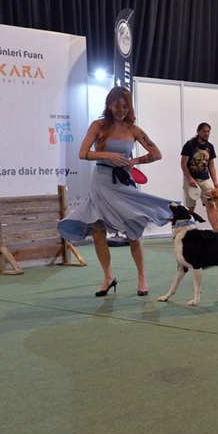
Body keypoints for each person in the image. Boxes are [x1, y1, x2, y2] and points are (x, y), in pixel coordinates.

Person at [57, 86, 169, 297]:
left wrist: (133, 161)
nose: (121, 111)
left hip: (123, 183)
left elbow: (156, 153)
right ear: (109, 105)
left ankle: (141, 277)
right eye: (117, 106)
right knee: (98, 232)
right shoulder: (98, 125)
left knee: (133, 231)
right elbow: (83, 153)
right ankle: (108, 277)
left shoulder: (134, 129)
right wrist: (108, 155)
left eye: (125, 106)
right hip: (101, 181)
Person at [181, 122, 218, 232]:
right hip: (191, 180)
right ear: (198, 132)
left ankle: (217, 232)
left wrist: (215, 182)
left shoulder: (210, 147)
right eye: (204, 131)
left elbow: (211, 166)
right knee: (190, 208)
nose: (206, 133)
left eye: (208, 131)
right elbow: (183, 164)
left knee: (210, 204)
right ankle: (186, 231)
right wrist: (190, 179)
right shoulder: (190, 145)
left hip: (204, 180)